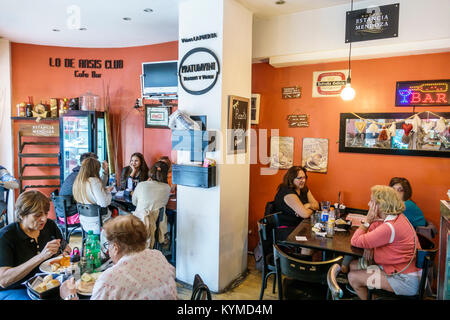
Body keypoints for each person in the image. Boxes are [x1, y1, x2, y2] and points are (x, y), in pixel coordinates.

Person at [60, 215, 177, 300]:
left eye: (108, 245)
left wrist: (70, 296)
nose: (108, 250)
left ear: (115, 247)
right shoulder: (158, 255)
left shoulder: (109, 280)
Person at [348, 185, 422, 300]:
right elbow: (374, 229)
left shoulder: (390, 228)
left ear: (380, 205)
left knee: (353, 277)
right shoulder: (397, 217)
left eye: (372, 201)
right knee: (353, 265)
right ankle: (374, 296)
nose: (369, 204)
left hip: (404, 280)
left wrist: (367, 221)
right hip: (398, 270)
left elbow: (355, 240)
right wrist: (369, 244)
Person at [0, 190, 71, 300]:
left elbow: (64, 246)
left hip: (44, 282)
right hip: (15, 288)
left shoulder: (49, 226)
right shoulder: (5, 237)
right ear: (21, 215)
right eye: (37, 215)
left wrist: (65, 252)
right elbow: (3, 281)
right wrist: (41, 257)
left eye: (46, 213)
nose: (44, 219)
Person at [58, 152, 109, 225]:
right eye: (94, 162)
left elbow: (99, 187)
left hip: (62, 214)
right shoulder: (82, 177)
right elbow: (99, 188)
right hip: (72, 215)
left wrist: (105, 172)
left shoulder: (76, 174)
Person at [132, 161, 171, 248]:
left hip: (139, 224)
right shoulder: (167, 188)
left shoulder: (141, 185)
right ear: (166, 174)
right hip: (156, 226)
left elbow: (134, 202)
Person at [73, 157, 114, 236]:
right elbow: (104, 203)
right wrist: (108, 193)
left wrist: (105, 173)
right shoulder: (94, 181)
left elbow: (98, 187)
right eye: (98, 169)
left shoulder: (79, 181)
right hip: (99, 223)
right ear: (94, 169)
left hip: (85, 223)